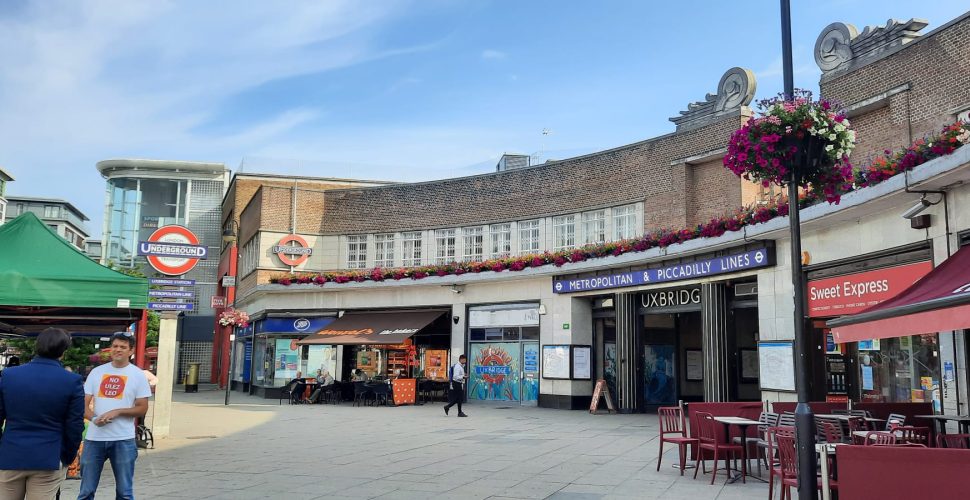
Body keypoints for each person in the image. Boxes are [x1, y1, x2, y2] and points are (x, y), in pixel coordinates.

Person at [0, 328, 85, 499]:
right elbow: (75, 425)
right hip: (49, 456)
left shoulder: (9, 375)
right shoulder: (71, 381)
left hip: (11, 454)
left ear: (37, 346)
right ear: (63, 351)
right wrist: (67, 457)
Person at [77, 332, 152, 500]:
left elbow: (142, 408)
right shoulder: (97, 372)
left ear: (131, 351)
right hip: (94, 439)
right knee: (86, 491)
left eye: (123, 347)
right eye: (115, 346)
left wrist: (118, 411)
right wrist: (94, 418)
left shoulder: (138, 375)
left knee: (124, 492)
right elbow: (82, 405)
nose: (118, 350)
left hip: (123, 439)